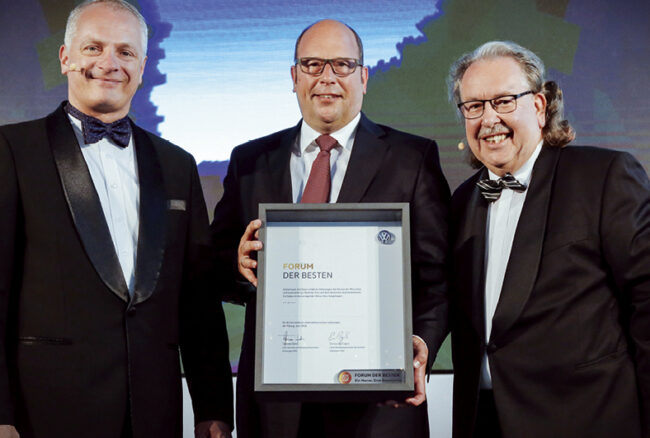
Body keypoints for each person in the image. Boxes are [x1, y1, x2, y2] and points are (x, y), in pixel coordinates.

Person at [0, 1, 233, 437]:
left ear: (141, 68)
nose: (109, 63)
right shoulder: (11, 150)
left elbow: (197, 302)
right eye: (94, 48)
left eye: (125, 52)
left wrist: (213, 409)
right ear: (65, 58)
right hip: (45, 416)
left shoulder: (177, 165)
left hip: (153, 415)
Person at [211, 19, 450, 438]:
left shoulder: (412, 158)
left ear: (363, 77)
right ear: (294, 76)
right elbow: (213, 266)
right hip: (275, 409)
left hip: (378, 407)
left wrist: (422, 344)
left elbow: (439, 276)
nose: (327, 77)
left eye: (342, 64)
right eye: (313, 64)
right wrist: (236, 263)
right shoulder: (250, 161)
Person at [447, 40, 650, 438]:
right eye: (474, 106)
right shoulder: (461, 201)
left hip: (588, 421)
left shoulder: (603, 176)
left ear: (539, 106)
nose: (488, 119)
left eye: (504, 101)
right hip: (483, 421)